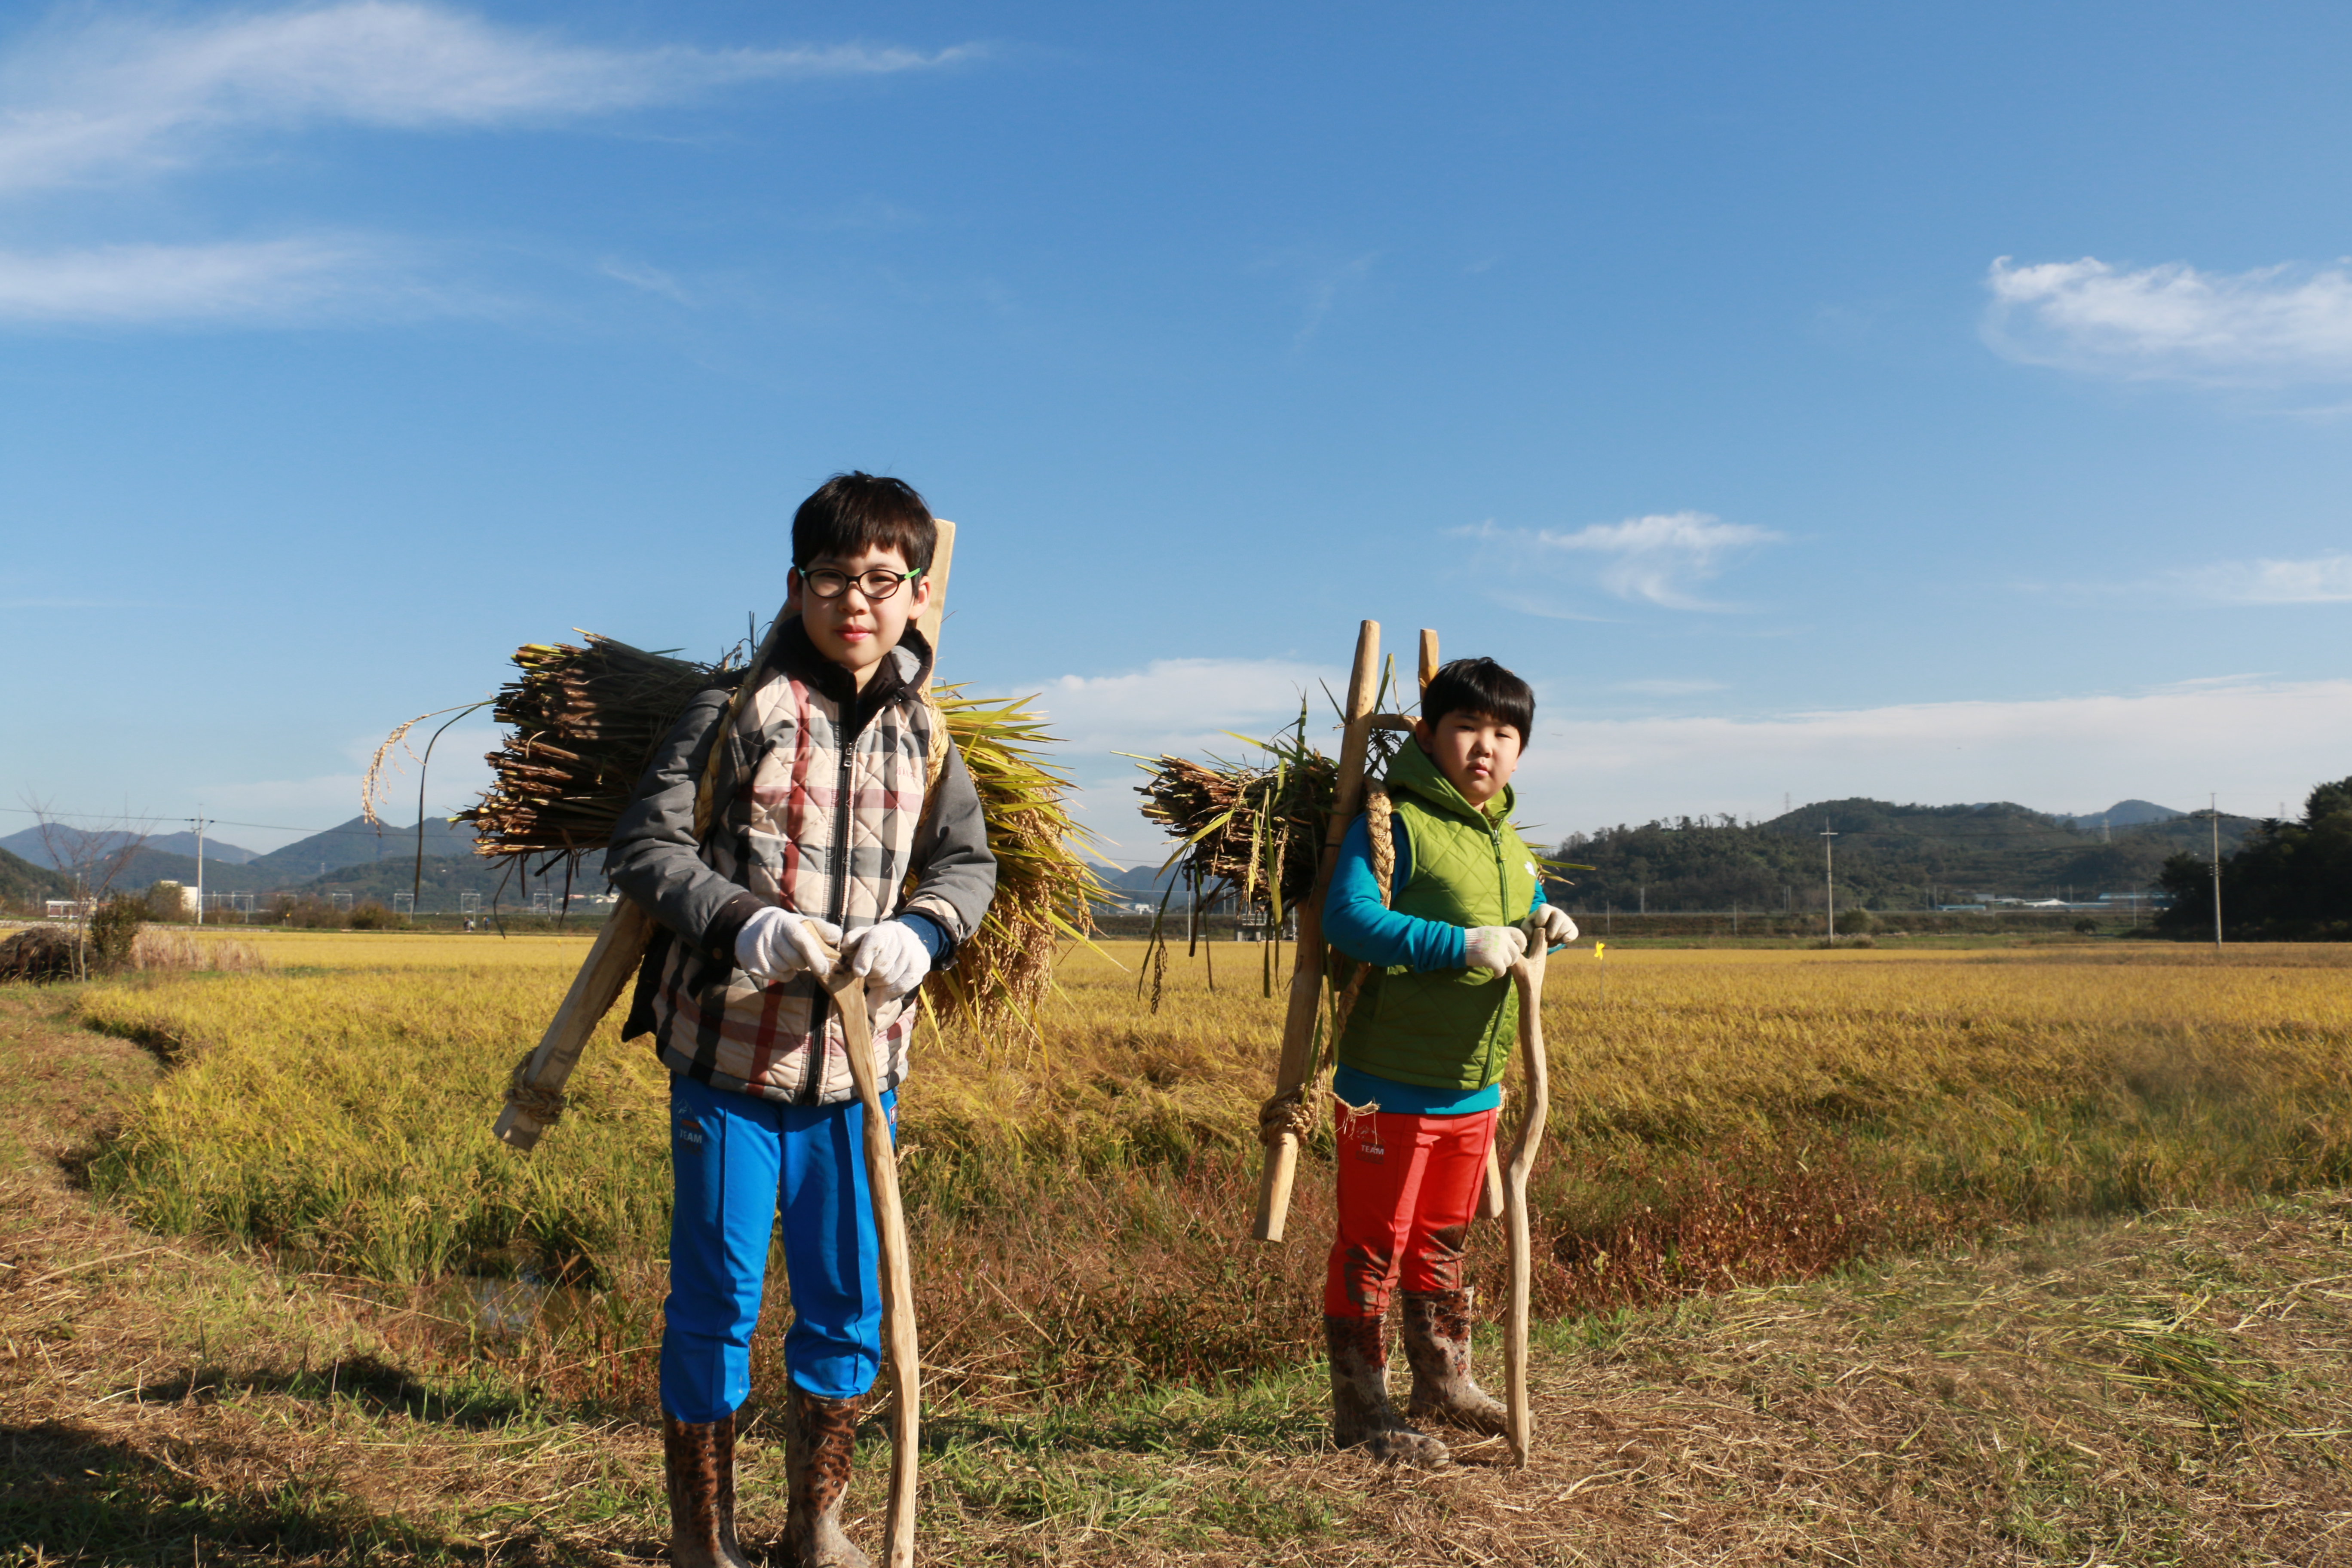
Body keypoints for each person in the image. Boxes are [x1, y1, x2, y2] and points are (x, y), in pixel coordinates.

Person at [605, 473, 996, 1568]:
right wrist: (742, 923)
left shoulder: (926, 731)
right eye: (834, 578)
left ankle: (817, 1528)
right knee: (716, 1301)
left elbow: (969, 863)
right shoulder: (739, 712)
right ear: (795, 587)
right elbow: (645, 847)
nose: (856, 602)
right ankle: (704, 1540)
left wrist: (924, 929)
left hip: (861, 1077)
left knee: (846, 1298)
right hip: (728, 1065)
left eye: (883, 581)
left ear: (917, 595)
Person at [1317, 655, 1575, 1465]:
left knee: (1441, 1240)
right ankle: (1363, 1413)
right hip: (1384, 1089)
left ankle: (1445, 1383)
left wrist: (1545, 918)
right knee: (1374, 1247)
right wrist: (1457, 944)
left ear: (1521, 750)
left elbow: (1516, 909)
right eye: (1467, 728)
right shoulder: (1391, 823)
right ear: (1429, 736)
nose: (1485, 748)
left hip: (1473, 1091)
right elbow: (1349, 920)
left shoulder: (1509, 842)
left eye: (1505, 734)